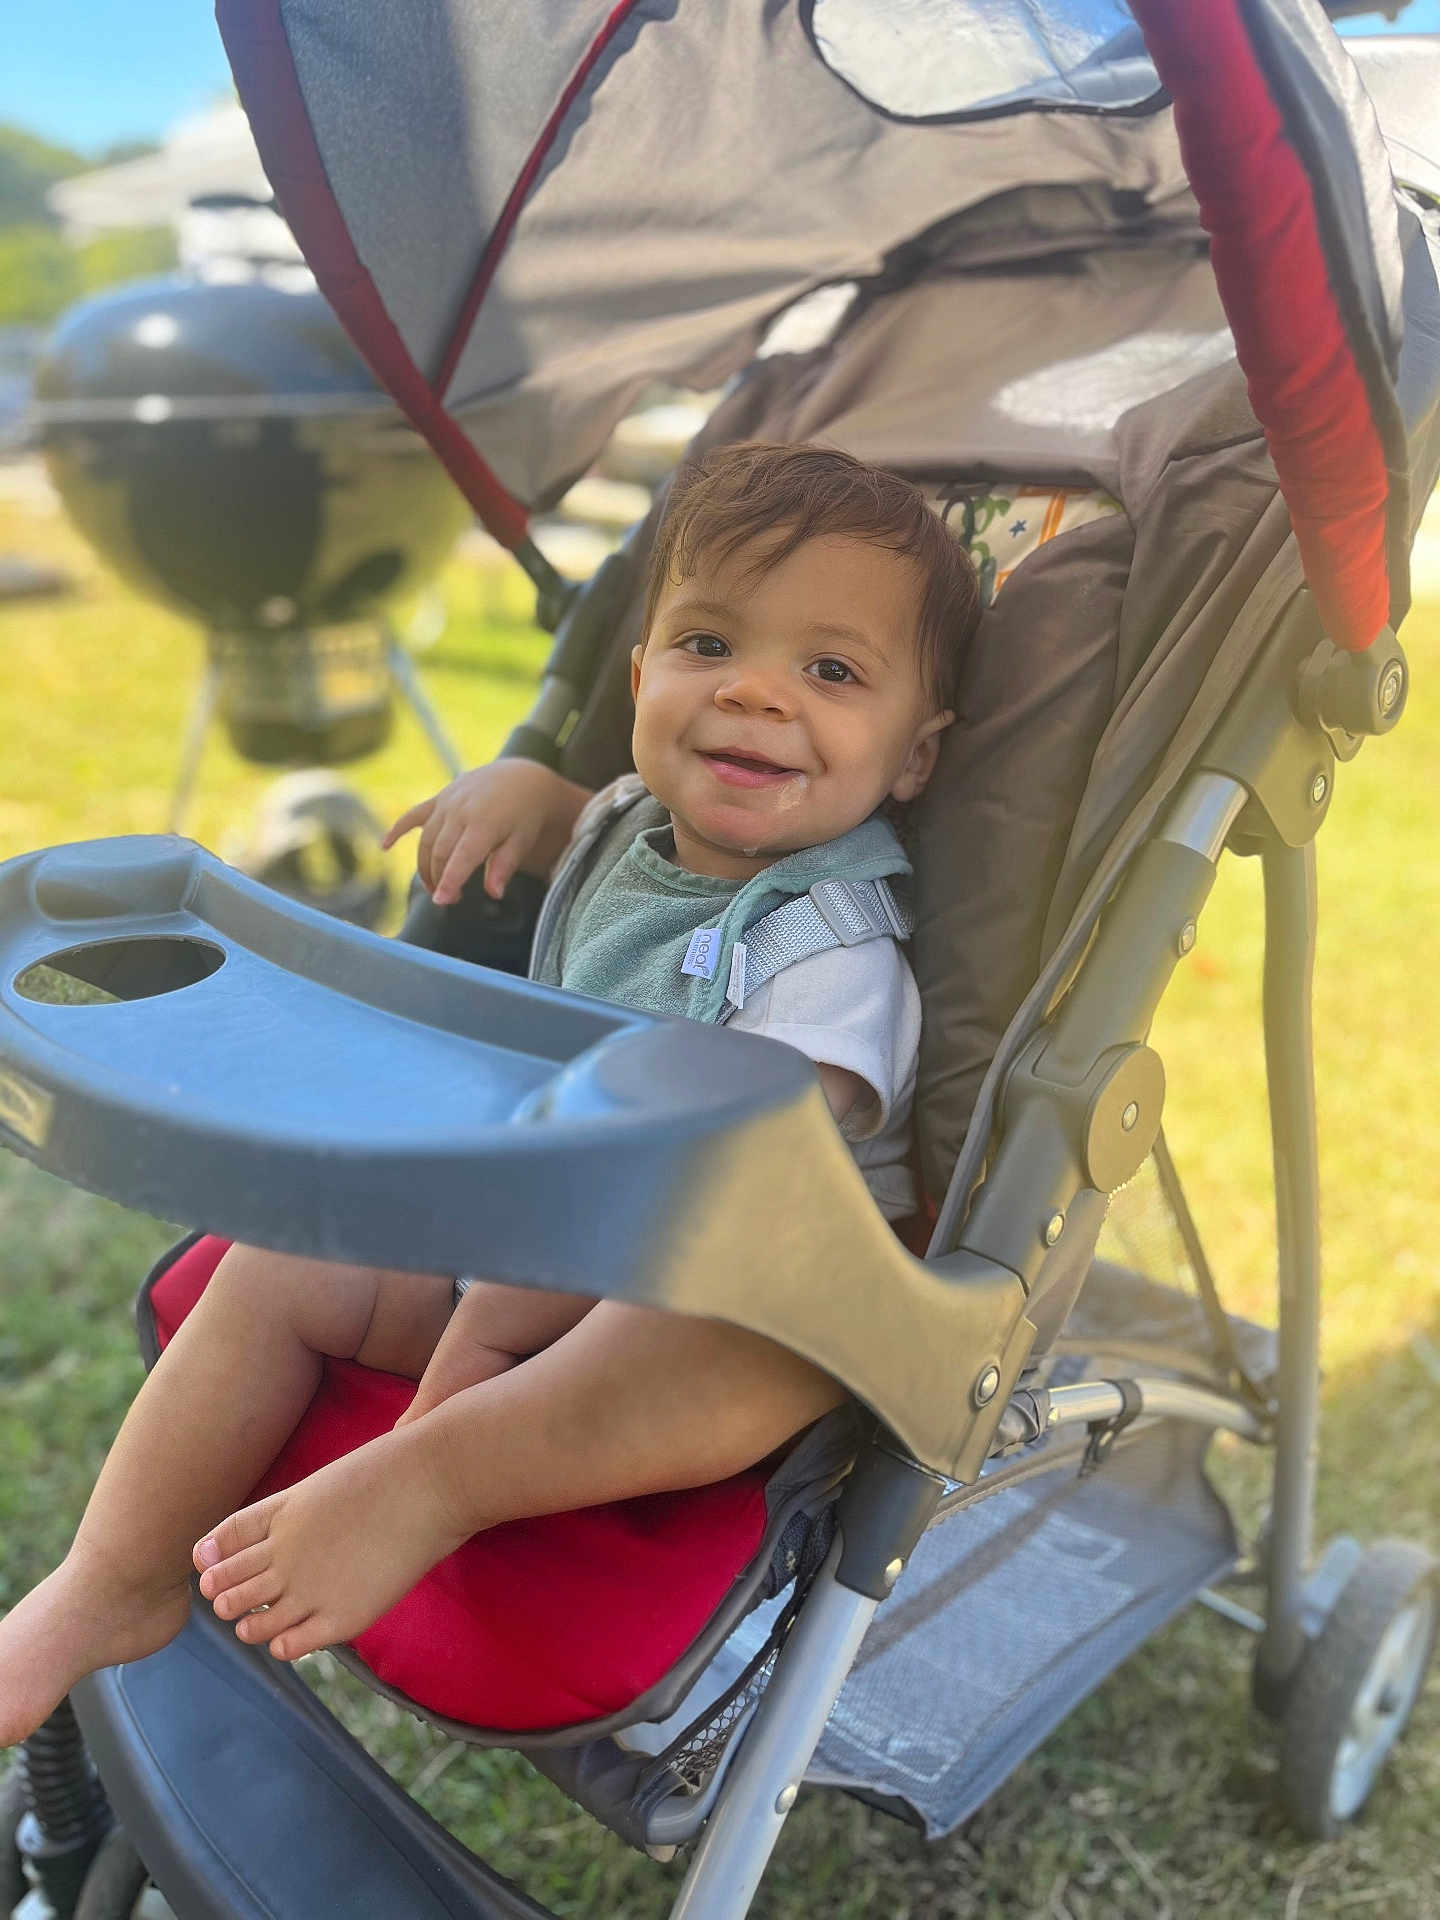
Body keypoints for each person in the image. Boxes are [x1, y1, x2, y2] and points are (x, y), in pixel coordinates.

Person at [0, 442, 980, 1748]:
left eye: (831, 672)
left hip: (746, 1291)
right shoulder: (630, 825)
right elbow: (611, 828)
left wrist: (535, 1275)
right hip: (534, 1232)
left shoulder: (830, 944)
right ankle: (106, 1584)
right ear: (639, 679)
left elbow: (748, 1168)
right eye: (705, 645)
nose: (752, 693)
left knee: (729, 1356)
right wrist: (535, 795)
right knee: (288, 1258)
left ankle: (434, 1474)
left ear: (912, 758)